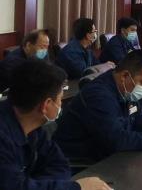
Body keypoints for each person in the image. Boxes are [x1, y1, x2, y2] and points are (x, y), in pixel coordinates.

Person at [0, 59, 111, 190]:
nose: (61, 104)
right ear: (46, 105)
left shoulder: (33, 127)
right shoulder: (4, 138)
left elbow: (59, 164)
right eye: (60, 99)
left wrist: (39, 186)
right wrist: (75, 188)